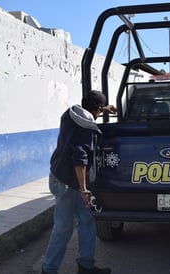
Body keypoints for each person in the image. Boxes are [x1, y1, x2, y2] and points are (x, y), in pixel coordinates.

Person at [41, 90, 116, 274]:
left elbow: (87, 112)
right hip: (70, 182)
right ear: (96, 110)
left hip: (59, 175)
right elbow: (80, 160)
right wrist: (84, 190)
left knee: (87, 221)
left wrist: (105, 108)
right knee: (64, 227)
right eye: (100, 110)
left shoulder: (70, 114)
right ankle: (48, 269)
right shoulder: (87, 130)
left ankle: (86, 266)